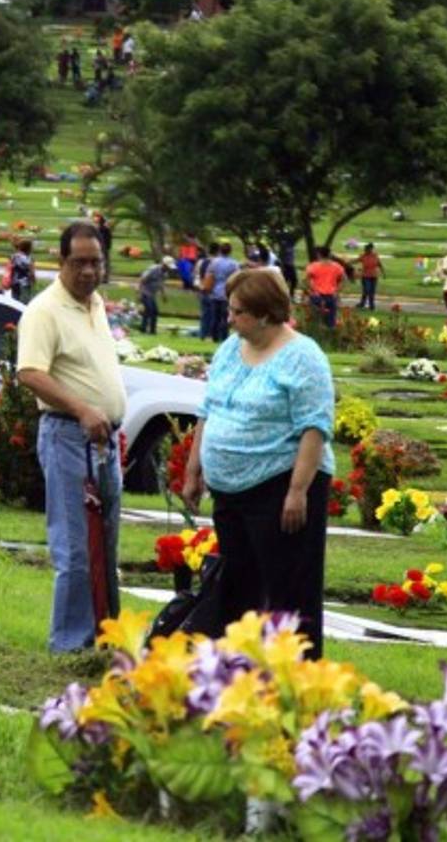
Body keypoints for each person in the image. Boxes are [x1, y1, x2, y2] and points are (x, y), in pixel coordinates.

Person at [180, 270, 334, 658]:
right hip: (231, 492)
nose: (229, 318)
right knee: (237, 584)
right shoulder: (231, 348)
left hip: (281, 486)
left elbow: (315, 427)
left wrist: (298, 491)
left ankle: (296, 675)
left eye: (238, 312)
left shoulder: (303, 357)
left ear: (265, 315)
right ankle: (238, 669)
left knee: (289, 590)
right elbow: (208, 409)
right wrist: (194, 468)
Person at [18, 221, 125, 653]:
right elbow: (29, 372)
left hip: (104, 441)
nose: (88, 271)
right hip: (67, 436)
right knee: (77, 549)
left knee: (106, 546)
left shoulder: (95, 304)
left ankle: (106, 638)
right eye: (78, 262)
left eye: (95, 262)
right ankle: (68, 645)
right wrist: (82, 409)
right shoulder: (44, 311)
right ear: (60, 261)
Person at [304, 246, 346, 329]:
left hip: (317, 296)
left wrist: (312, 290)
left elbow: (305, 280)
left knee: (316, 322)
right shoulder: (337, 266)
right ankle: (329, 338)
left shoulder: (313, 266)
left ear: (319, 255)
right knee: (331, 323)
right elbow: (344, 279)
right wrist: (337, 292)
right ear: (329, 255)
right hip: (331, 296)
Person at [207, 242, 239, 342]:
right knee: (225, 317)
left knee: (214, 317)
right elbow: (237, 277)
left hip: (215, 291)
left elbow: (209, 276)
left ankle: (213, 336)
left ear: (220, 250)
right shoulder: (233, 263)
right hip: (227, 292)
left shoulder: (214, 262)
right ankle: (224, 336)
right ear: (230, 251)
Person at [137, 256, 172, 334]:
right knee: (150, 310)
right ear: (164, 264)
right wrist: (139, 293)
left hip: (152, 294)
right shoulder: (153, 269)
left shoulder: (165, 274)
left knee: (152, 311)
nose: (169, 269)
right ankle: (146, 329)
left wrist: (164, 295)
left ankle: (149, 330)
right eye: (168, 267)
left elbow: (161, 284)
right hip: (145, 292)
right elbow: (142, 280)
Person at [197, 243, 218, 339]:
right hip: (213, 291)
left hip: (203, 289)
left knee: (204, 314)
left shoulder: (202, 262)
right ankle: (210, 334)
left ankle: (202, 334)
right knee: (213, 315)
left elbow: (198, 275)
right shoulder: (216, 263)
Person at [354, 242, 384, 310]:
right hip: (365, 276)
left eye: (366, 250)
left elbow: (379, 264)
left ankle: (371, 305)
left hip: (374, 276)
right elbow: (356, 260)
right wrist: (346, 263)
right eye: (365, 250)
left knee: (372, 291)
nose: (365, 251)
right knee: (366, 290)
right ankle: (362, 303)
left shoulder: (375, 255)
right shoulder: (363, 256)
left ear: (370, 249)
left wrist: (383, 272)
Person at [10, 239, 34, 303]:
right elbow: (31, 271)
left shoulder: (14, 256)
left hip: (14, 282)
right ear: (28, 248)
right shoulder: (27, 258)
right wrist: (33, 279)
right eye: (31, 247)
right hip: (24, 283)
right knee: (24, 302)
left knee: (14, 301)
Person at [94, 212, 112, 283]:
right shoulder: (102, 228)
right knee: (103, 263)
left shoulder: (102, 229)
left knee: (103, 263)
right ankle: (103, 277)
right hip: (103, 247)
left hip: (103, 247)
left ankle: (104, 278)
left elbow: (105, 239)